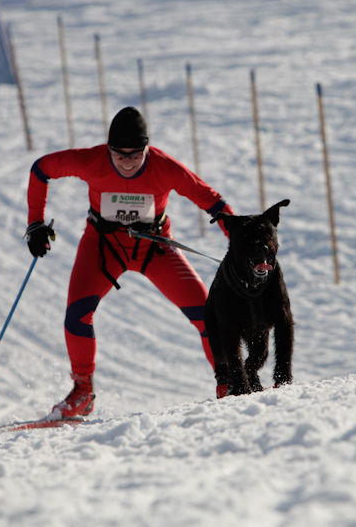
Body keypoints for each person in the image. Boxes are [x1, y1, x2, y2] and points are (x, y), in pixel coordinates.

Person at [25, 107, 234, 418]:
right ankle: (83, 391)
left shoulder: (166, 168)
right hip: (102, 246)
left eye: (135, 154)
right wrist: (35, 223)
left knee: (208, 314)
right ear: (108, 148)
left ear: (147, 148)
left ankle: (229, 383)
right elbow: (41, 169)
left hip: (155, 249)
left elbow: (211, 200)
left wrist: (237, 237)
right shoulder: (89, 161)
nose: (126, 161)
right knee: (76, 315)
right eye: (118, 154)